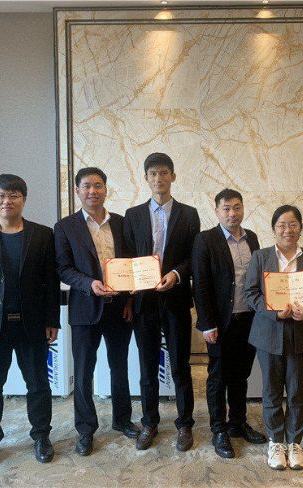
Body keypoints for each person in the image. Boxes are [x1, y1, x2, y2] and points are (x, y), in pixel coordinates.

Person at [0, 174, 60, 473]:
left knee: (39, 385)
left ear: (23, 199)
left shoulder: (42, 235)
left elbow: (51, 282)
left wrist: (52, 319)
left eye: (14, 195)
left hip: (32, 324)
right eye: (1, 195)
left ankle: (41, 436)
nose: (7, 201)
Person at [54, 167, 139, 457]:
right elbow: (63, 268)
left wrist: (130, 300)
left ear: (106, 189)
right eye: (87, 186)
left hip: (120, 308)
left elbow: (131, 263)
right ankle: (86, 429)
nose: (93, 191)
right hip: (85, 309)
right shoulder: (65, 227)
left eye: (98, 185)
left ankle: (122, 419)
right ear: (77, 191)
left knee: (120, 367)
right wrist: (89, 284)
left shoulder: (122, 223)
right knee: (83, 372)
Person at [123, 152, 201, 451]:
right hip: (143, 303)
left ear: (173, 176)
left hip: (176, 299)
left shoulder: (189, 214)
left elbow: (193, 257)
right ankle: (150, 423)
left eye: (164, 173)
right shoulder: (133, 215)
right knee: (147, 367)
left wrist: (175, 274)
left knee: (180, 365)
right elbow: (127, 258)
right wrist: (129, 292)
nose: (159, 178)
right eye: (153, 173)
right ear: (146, 178)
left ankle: (185, 424)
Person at [244, 205, 303, 471]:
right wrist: (274, 312)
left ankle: (294, 442)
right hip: (269, 333)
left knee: (297, 391)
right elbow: (251, 293)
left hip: (302, 334)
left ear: (300, 228)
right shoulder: (261, 256)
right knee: (271, 391)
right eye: (281, 225)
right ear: (273, 229)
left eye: (293, 224)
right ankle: (276, 442)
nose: (287, 230)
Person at [191, 189, 267, 459]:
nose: (232, 213)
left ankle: (238, 423)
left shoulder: (252, 238)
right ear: (217, 211)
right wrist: (207, 323)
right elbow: (200, 284)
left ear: (243, 208)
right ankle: (219, 429)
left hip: (248, 319)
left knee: (241, 374)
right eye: (226, 208)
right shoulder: (205, 240)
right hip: (220, 323)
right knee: (218, 376)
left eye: (237, 207)